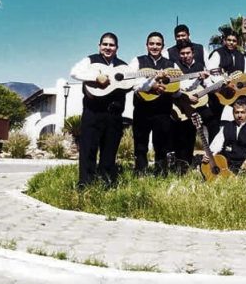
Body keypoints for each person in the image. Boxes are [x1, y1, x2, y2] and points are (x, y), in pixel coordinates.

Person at [70, 32, 128, 188]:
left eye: (112, 45)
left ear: (117, 48)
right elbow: (74, 72)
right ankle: (85, 185)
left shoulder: (123, 66)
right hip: (93, 112)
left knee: (109, 152)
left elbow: (137, 83)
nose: (108, 48)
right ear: (99, 46)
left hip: (114, 114)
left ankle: (106, 185)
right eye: (105, 44)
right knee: (88, 149)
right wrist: (96, 77)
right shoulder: (90, 60)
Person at [128, 32, 175, 175]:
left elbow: (179, 84)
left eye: (158, 44)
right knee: (140, 144)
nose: (155, 47)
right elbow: (132, 82)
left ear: (163, 46)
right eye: (152, 43)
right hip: (142, 110)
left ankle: (160, 174)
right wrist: (151, 85)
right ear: (146, 45)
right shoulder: (137, 61)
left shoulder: (170, 64)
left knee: (161, 145)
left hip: (163, 111)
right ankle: (140, 172)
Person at [170, 39, 212, 173]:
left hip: (198, 106)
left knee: (211, 121)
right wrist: (196, 79)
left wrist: (208, 82)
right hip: (180, 105)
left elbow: (208, 85)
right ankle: (181, 164)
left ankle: (209, 158)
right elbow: (182, 87)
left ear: (193, 53)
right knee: (184, 134)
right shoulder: (175, 67)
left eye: (188, 53)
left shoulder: (201, 66)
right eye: (182, 54)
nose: (185, 56)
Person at [207, 29, 246, 138]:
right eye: (229, 40)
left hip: (235, 93)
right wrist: (224, 83)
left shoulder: (241, 56)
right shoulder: (217, 53)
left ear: (237, 42)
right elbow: (211, 72)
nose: (231, 42)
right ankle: (213, 151)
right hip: (219, 92)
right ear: (224, 40)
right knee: (214, 120)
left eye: (234, 40)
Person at [204, 98, 246, 174]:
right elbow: (216, 145)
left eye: (242, 112)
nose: (239, 115)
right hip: (228, 163)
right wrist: (209, 155)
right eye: (237, 112)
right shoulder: (226, 127)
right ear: (233, 114)